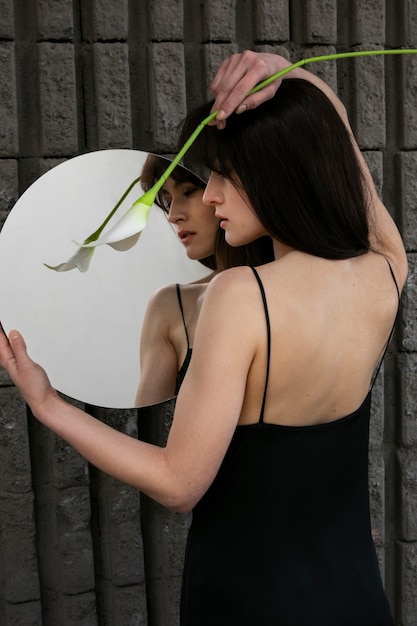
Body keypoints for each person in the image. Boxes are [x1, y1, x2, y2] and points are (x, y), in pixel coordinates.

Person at [0, 51, 407, 625]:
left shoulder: (240, 294)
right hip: (354, 589)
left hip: (251, 596)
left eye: (226, 176)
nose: (210, 197)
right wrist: (291, 74)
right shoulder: (385, 268)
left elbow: (179, 484)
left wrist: (47, 404)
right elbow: (335, 139)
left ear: (279, 172)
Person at [135, 154, 273, 406]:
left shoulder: (305, 284)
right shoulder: (170, 306)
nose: (172, 215)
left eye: (188, 191)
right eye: (167, 200)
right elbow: (150, 421)